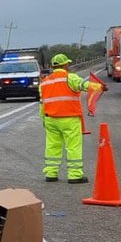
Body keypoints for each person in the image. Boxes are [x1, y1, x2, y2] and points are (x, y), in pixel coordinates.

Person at [41, 53, 91, 183]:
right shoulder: (70, 78)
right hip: (69, 118)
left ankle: (51, 174)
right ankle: (75, 175)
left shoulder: (45, 82)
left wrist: (44, 120)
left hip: (50, 119)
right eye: (67, 63)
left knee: (52, 146)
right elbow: (86, 86)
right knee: (73, 146)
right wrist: (100, 87)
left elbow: (43, 103)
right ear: (65, 64)